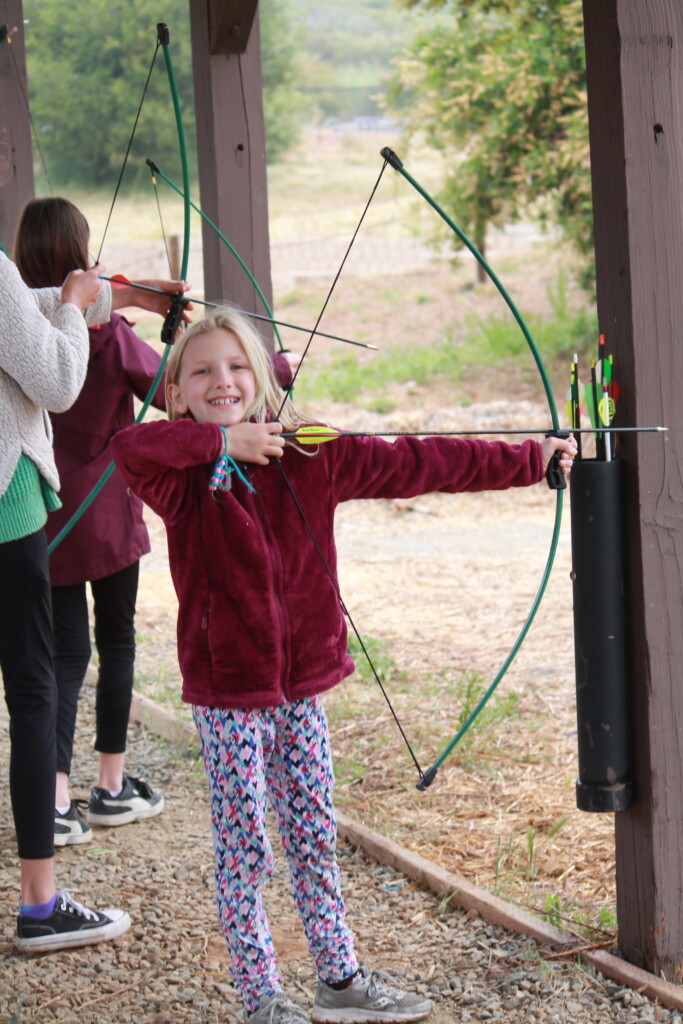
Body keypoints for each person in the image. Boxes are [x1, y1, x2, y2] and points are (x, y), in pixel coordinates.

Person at [110, 308, 577, 1024]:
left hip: (303, 689)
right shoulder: (182, 479)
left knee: (313, 832)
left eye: (238, 367)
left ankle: (338, 981)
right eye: (200, 372)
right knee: (245, 848)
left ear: (265, 380)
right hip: (227, 693)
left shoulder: (311, 452)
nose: (221, 380)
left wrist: (528, 457)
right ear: (176, 395)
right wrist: (218, 441)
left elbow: (418, 461)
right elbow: (129, 446)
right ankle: (262, 996)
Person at [12, 197, 295, 848]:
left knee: (61, 655)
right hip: (106, 518)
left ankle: (56, 798)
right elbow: (175, 390)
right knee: (115, 644)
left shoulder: (22, 326)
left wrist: (142, 306)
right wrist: (272, 367)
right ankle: (110, 787)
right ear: (81, 256)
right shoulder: (102, 335)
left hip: (48, 512)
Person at [0, 244, 188, 953]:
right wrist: (80, 309)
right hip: (9, 507)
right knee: (37, 690)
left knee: (59, 669)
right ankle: (40, 904)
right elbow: (53, 377)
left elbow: (16, 313)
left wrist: (124, 297)